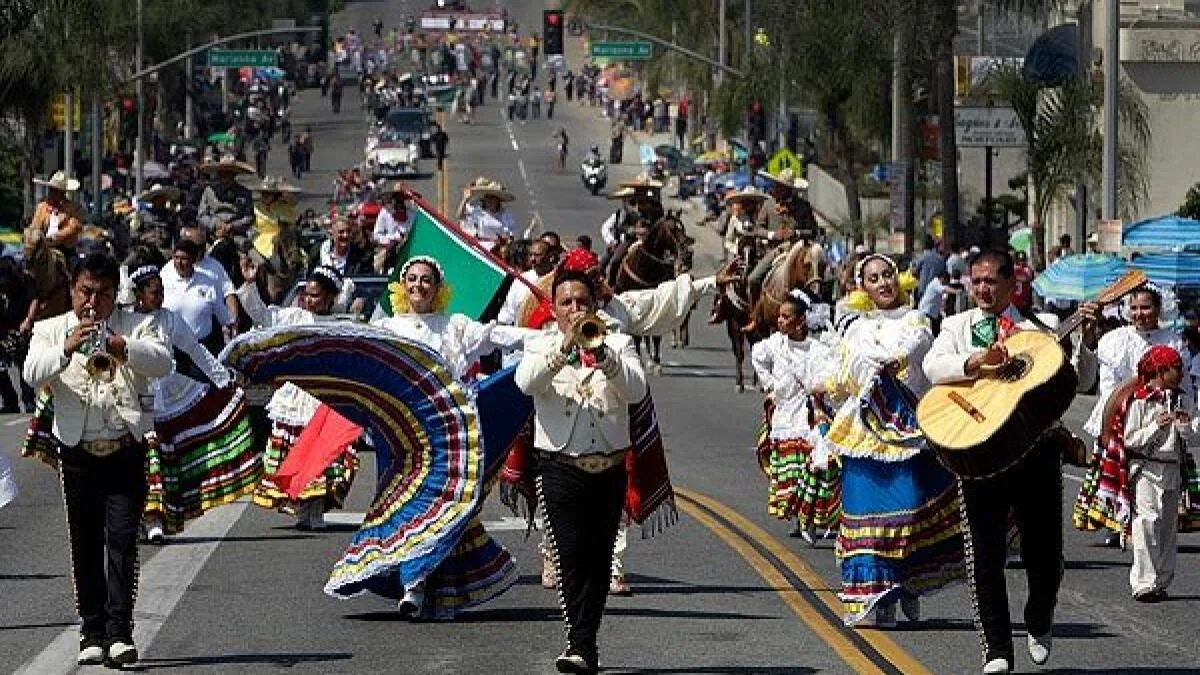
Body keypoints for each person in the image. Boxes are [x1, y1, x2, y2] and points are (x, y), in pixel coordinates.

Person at [923, 249, 1098, 675]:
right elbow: (932, 366)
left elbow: (1085, 381)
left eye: (990, 282)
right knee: (984, 555)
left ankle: (1039, 616)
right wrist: (973, 362)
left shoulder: (1042, 328)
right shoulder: (955, 326)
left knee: (1046, 554)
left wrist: (1086, 344)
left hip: (1036, 449)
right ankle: (997, 649)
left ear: (1010, 285)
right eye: (976, 281)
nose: (982, 289)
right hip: (978, 449)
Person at [364, 256, 535, 617]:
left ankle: (429, 586)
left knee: (442, 510)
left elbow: (494, 336)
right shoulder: (386, 328)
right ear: (402, 285)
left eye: (426, 280)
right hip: (401, 437)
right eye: (412, 279)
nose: (418, 286)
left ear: (438, 288)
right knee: (405, 509)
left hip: (446, 438)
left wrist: (546, 338)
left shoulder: (454, 326)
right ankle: (413, 583)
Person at [23, 253, 172, 666]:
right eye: (86, 293)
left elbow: (163, 361)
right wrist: (66, 349)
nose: (93, 303)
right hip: (77, 453)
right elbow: (31, 373)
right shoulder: (49, 329)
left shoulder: (136, 323)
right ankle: (91, 632)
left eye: (103, 295)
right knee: (85, 543)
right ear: (72, 289)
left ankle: (119, 633)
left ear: (115, 296)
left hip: (125, 449)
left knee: (122, 542)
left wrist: (122, 347)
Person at [817, 253, 964, 629]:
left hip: (907, 431)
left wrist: (892, 360)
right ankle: (877, 595)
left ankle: (905, 584)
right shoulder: (854, 329)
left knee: (907, 513)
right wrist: (854, 374)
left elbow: (918, 347)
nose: (882, 283)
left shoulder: (916, 320)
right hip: (863, 434)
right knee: (867, 518)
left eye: (887, 276)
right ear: (862, 287)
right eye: (873, 278)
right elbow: (842, 370)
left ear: (898, 280)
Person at [515, 269, 648, 674]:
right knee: (571, 557)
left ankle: (585, 642)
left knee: (599, 559)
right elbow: (526, 383)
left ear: (595, 305)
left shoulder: (619, 342)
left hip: (607, 468)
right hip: (559, 466)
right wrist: (563, 350)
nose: (575, 309)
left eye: (581, 302)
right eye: (566, 303)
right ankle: (581, 645)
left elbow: (637, 391)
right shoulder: (540, 344)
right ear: (553, 309)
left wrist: (604, 356)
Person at [126, 264, 256, 543]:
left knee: (159, 456)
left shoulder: (169, 319)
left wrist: (224, 381)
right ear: (138, 295)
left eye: (161, 291)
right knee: (140, 458)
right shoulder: (124, 320)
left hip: (166, 394)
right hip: (134, 396)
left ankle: (155, 518)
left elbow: (197, 352)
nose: (159, 297)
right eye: (153, 292)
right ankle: (141, 516)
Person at [237, 259, 360, 530]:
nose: (308, 299)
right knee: (295, 452)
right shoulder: (292, 318)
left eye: (315, 295)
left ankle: (314, 511)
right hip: (296, 396)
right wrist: (249, 284)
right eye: (306, 293)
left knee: (320, 454)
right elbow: (262, 315)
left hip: (325, 399)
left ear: (329, 297)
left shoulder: (341, 325)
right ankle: (304, 509)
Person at [1075, 285, 1194, 546]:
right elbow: (1108, 385)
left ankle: (1163, 521)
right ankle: (1118, 521)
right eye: (1135, 307)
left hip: (1160, 412)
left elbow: (1181, 383)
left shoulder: (1173, 340)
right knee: (1119, 469)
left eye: (1146, 307)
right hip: (1121, 412)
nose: (1140, 313)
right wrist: (1119, 412)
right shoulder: (1114, 340)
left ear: (1159, 309)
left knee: (1157, 473)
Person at [750, 291, 839, 544]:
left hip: (809, 415)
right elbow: (757, 357)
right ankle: (800, 514)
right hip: (785, 416)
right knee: (790, 470)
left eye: (785, 317)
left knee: (813, 465)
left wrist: (816, 386)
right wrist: (770, 384)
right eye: (779, 316)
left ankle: (808, 515)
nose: (779, 321)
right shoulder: (774, 344)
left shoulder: (818, 349)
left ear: (800, 322)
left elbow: (829, 376)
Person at [1118, 345, 1197, 602]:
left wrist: (1185, 427)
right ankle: (1143, 583)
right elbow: (1130, 439)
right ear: (1162, 371)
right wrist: (1155, 426)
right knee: (1147, 523)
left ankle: (1162, 580)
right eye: (1176, 367)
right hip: (1147, 467)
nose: (1181, 372)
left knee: (1167, 528)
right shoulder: (1140, 399)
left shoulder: (1185, 399)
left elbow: (1194, 437)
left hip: (1173, 468)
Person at [160, 239, 232, 358]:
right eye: (176, 258)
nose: (179, 262)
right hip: (172, 348)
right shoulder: (164, 277)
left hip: (200, 348)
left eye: (184, 259)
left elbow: (223, 315)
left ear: (193, 260)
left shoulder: (207, 282)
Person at [31, 171, 85, 254]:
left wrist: (55, 237)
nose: (50, 192)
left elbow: (73, 227)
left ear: (62, 192)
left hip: (65, 248)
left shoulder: (74, 208)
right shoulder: (42, 207)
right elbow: (35, 226)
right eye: (51, 189)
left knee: (74, 264)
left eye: (54, 190)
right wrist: (34, 236)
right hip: (42, 247)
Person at [456, 177, 516, 247]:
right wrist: (465, 199)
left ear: (498, 200)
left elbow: (510, 235)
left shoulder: (506, 215)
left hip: (498, 249)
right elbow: (460, 216)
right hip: (481, 247)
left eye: (492, 197)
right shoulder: (478, 212)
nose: (489, 200)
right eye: (487, 197)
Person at [372, 182, 417, 273]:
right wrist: (391, 240)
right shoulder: (385, 213)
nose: (399, 201)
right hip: (389, 251)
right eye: (396, 198)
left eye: (401, 198)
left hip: (408, 249)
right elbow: (376, 235)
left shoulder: (412, 214)